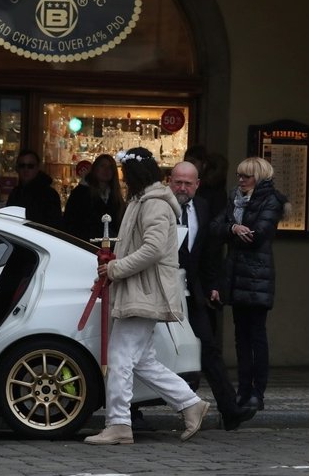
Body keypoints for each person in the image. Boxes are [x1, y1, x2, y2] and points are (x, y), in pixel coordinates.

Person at [84, 147, 210, 445]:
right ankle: (190, 403)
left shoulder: (152, 204)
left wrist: (115, 269)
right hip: (144, 289)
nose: (123, 180)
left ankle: (118, 423)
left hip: (144, 290)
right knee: (141, 360)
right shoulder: (147, 201)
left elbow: (152, 249)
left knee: (120, 357)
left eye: (126, 175)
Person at [169, 161, 256, 431]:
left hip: (192, 292)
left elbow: (208, 253)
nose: (182, 188)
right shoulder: (158, 206)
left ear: (197, 185)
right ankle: (133, 411)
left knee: (209, 349)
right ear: (169, 182)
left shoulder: (204, 207)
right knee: (147, 349)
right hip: (160, 289)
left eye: (187, 183)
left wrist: (213, 286)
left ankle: (229, 410)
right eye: (178, 182)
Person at [210, 157, 290, 413]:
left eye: (246, 176)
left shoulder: (271, 200)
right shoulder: (234, 197)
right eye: (239, 175)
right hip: (236, 276)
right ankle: (243, 390)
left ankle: (257, 392)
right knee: (240, 337)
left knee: (256, 336)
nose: (241, 180)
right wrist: (233, 228)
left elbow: (257, 236)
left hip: (256, 277)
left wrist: (232, 231)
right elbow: (215, 228)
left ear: (259, 177)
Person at [62, 154, 124, 242]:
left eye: (110, 167)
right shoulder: (80, 193)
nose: (106, 170)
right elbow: (70, 224)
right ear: (95, 169)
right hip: (86, 246)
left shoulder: (114, 195)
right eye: (102, 166)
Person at [6, 149, 62, 228]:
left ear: (37, 168)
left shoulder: (49, 195)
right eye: (22, 165)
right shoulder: (15, 193)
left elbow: (54, 226)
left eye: (30, 166)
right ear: (17, 168)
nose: (26, 170)